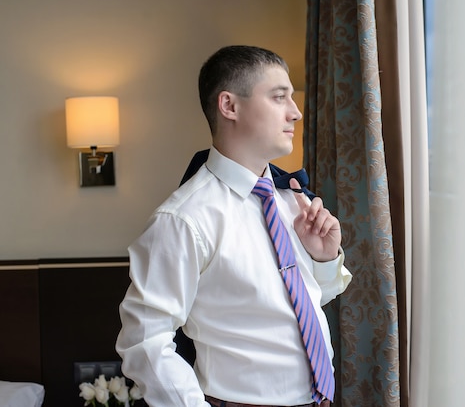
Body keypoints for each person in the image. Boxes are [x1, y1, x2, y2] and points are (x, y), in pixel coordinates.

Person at [115, 45, 352, 407]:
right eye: (279, 97)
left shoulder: (292, 202)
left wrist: (322, 258)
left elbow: (305, 303)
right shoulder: (184, 219)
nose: (296, 112)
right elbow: (144, 341)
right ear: (229, 106)